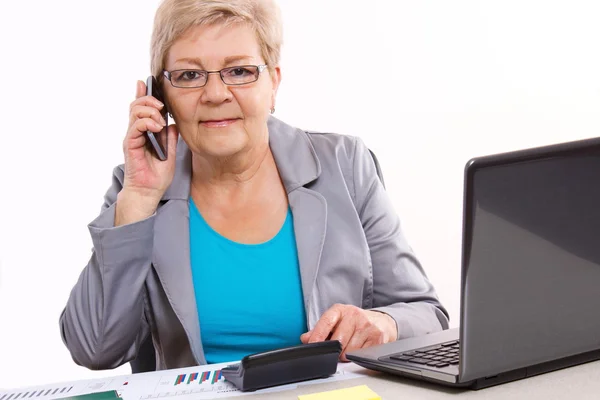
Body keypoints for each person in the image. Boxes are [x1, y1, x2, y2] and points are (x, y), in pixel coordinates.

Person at [60, 0, 449, 371]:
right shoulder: (138, 188)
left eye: (240, 71)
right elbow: (94, 349)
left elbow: (426, 314)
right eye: (189, 75)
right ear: (161, 96)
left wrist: (384, 324)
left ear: (274, 82)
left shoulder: (344, 164)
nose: (215, 94)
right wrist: (139, 200)